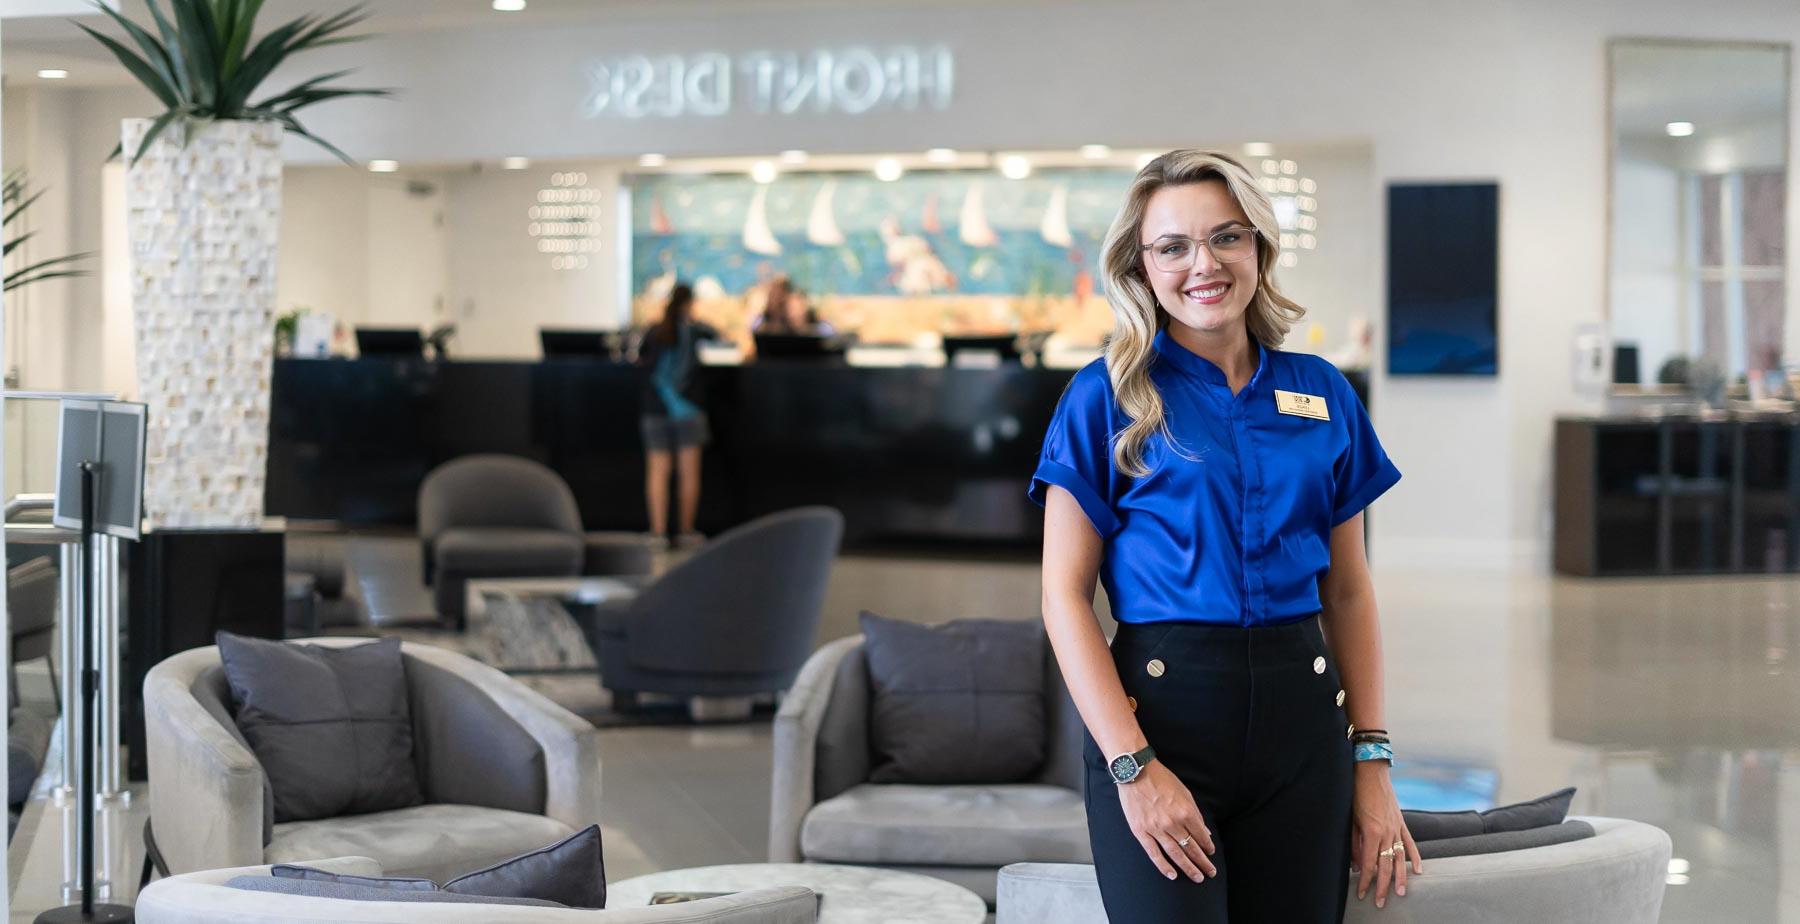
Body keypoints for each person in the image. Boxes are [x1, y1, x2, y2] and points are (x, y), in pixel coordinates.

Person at [1030, 149, 1415, 922]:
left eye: (1226, 238)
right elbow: (1063, 597)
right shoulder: (1103, 395)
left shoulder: (1322, 392)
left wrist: (1371, 761)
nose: (1202, 264)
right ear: (1141, 267)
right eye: (1172, 246)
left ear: (1260, 248)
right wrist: (1132, 768)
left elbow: (1347, 589)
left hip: (1304, 731)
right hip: (1162, 723)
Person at [638, 283, 716, 550]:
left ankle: (657, 533)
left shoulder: (653, 331)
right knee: (688, 473)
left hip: (655, 409)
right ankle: (685, 531)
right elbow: (722, 339)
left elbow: (640, 362)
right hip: (688, 411)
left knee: (658, 472)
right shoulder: (695, 331)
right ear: (690, 303)